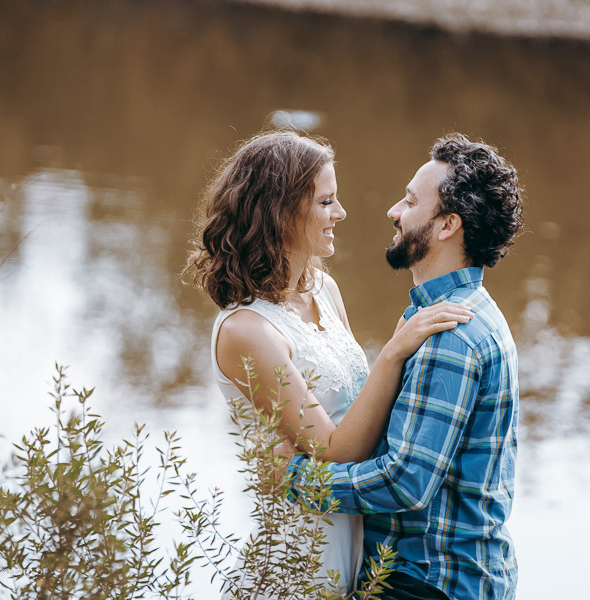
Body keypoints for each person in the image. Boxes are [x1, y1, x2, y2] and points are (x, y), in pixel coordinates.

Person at [183, 130, 474, 596]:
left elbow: (363, 407)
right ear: (280, 212)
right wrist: (394, 351)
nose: (340, 212)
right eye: (326, 202)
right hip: (298, 550)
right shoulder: (246, 330)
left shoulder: (325, 290)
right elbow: (333, 451)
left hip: (355, 538)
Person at [283, 133, 524, 600]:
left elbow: (405, 482)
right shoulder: (459, 311)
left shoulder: (450, 334)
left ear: (447, 225)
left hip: (427, 583)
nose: (394, 211)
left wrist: (295, 480)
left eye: (411, 202)